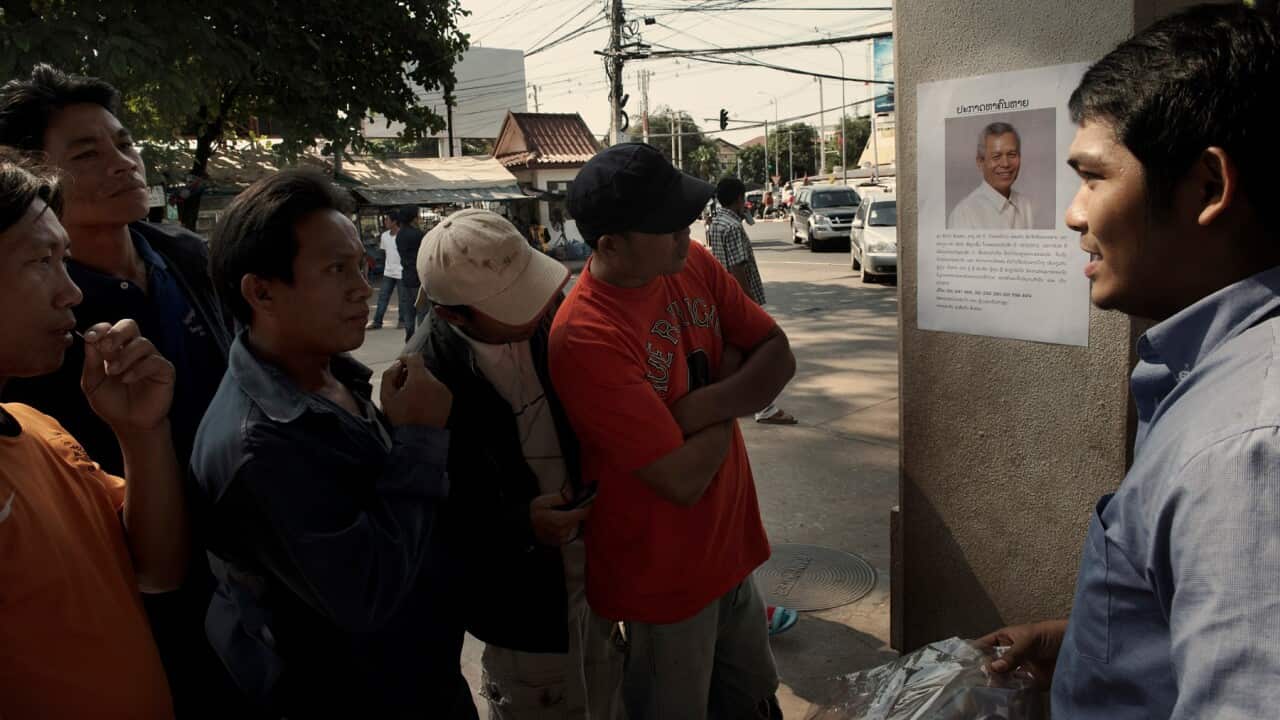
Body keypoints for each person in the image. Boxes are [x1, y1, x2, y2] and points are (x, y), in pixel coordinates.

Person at [979, 6, 1280, 718]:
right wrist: (1089, 646)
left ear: (1208, 187)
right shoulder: (1218, 375)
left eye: (1094, 177)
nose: (1074, 214)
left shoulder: (1246, 452)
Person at [0, 63, 239, 716]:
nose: (122, 163)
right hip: (120, 606)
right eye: (87, 153)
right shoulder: (30, 332)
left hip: (238, 571)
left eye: (124, 143)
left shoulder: (194, 259)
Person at [193, 169, 475, 717]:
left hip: (422, 678)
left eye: (360, 266)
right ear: (262, 291)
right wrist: (418, 439)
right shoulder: (261, 443)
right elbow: (366, 593)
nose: (362, 289)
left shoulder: (330, 379)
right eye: (336, 270)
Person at [548, 143, 798, 720]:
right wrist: (736, 385)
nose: (687, 234)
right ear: (609, 243)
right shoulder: (586, 333)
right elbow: (680, 479)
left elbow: (778, 357)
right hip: (662, 579)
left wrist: (691, 412)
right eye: (668, 226)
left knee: (755, 703)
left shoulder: (690, 264)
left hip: (730, 548)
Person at [406, 208, 626, 719]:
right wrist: (522, 525)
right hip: (523, 607)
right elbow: (431, 522)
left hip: (596, 578)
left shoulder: (550, 322)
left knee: (610, 696)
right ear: (453, 315)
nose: (545, 301)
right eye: (516, 303)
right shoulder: (422, 384)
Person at [0, 153, 186, 718]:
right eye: (42, 261)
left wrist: (143, 432)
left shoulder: (35, 429)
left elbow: (157, 571)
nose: (72, 293)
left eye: (66, 260)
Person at [708, 177, 799, 427]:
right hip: (740, 299)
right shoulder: (733, 227)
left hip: (724, 297)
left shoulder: (717, 222)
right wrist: (747, 304)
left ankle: (746, 402)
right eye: (743, 199)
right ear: (739, 199)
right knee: (763, 352)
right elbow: (738, 267)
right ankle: (764, 406)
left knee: (739, 353)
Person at [947, 122, 1035, 230]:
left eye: (1012, 154)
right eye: (996, 156)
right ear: (980, 162)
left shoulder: (1026, 206)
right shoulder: (964, 214)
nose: (1005, 164)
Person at [368, 212, 409, 330]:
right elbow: (384, 253)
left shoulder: (403, 235)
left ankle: (402, 321)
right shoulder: (384, 236)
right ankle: (377, 321)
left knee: (403, 299)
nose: (385, 222)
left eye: (387, 220)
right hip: (388, 272)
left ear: (394, 222)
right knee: (383, 297)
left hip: (401, 271)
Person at [396, 205, 426, 341]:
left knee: (409, 311)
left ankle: (409, 335)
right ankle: (421, 339)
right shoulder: (418, 234)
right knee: (422, 310)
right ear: (414, 218)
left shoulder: (399, 235)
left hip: (406, 276)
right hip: (419, 277)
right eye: (418, 215)